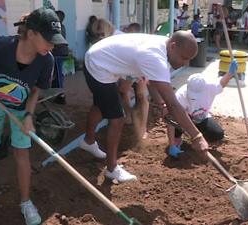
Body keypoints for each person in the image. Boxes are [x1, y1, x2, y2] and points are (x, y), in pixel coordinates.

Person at [0, 8, 67, 225]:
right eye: (49, 40)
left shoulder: (46, 60)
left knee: (22, 153)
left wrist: (29, 115)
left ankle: (26, 202)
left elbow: (36, 90)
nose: (52, 45)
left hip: (20, 108)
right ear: (31, 34)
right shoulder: (1, 46)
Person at [80, 30, 209, 183]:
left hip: (102, 58)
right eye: (184, 58)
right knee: (117, 118)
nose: (186, 63)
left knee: (102, 105)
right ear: (173, 46)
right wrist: (197, 136)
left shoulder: (165, 47)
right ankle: (112, 169)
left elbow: (153, 80)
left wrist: (161, 104)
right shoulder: (154, 56)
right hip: (98, 65)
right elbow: (173, 104)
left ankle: (88, 142)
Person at [166, 60, 238, 158]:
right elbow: (171, 121)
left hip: (202, 119)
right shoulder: (180, 96)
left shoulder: (210, 87)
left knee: (217, 134)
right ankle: (177, 139)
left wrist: (230, 73)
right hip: (184, 121)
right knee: (175, 127)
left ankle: (201, 138)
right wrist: (171, 145)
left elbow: (222, 83)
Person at [117, 22, 149, 141]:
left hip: (141, 69)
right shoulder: (124, 41)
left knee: (141, 96)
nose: (130, 34)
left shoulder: (142, 43)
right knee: (122, 91)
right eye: (128, 31)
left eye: (132, 32)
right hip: (128, 69)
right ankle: (130, 115)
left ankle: (143, 127)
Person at [51, 10, 69, 105]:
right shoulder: (62, 26)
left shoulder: (57, 28)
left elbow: (56, 42)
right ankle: (57, 94)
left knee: (58, 76)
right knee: (58, 75)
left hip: (58, 54)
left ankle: (61, 96)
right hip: (62, 53)